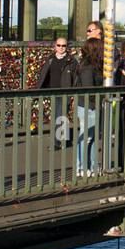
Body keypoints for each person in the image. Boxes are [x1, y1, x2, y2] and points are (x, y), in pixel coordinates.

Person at [36, 37, 80, 149]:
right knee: (57, 116)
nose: (61, 48)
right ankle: (63, 140)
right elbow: (44, 74)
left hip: (64, 92)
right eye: (59, 45)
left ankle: (58, 142)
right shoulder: (50, 59)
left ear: (67, 47)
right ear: (55, 46)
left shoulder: (71, 60)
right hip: (53, 91)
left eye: (63, 46)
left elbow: (76, 77)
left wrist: (73, 92)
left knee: (61, 116)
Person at [75, 37, 104, 175]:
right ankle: (81, 167)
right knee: (86, 137)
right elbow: (88, 89)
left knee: (90, 137)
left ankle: (91, 166)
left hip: (90, 105)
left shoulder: (89, 64)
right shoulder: (88, 66)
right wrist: (102, 97)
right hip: (89, 106)